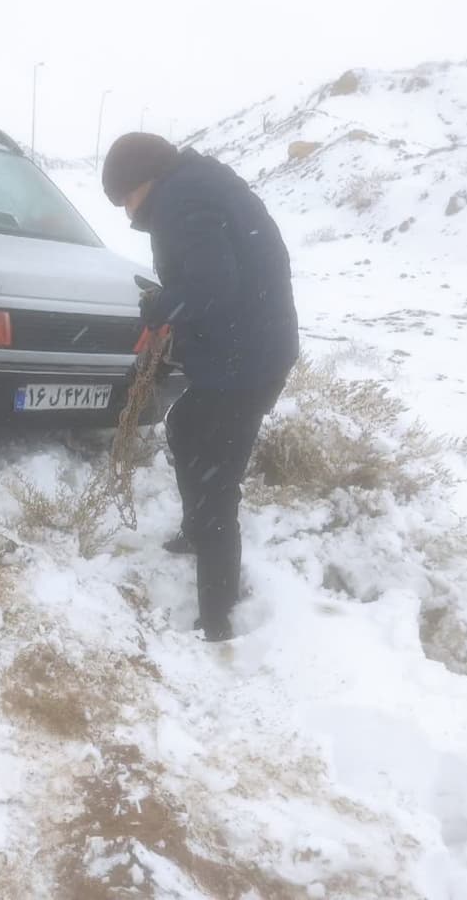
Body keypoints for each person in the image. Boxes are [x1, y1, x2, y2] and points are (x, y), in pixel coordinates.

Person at [102, 133, 299, 642]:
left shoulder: (181, 197)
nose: (128, 213)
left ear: (144, 179)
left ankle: (218, 615)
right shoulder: (194, 184)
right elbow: (216, 274)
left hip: (246, 359)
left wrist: (165, 306)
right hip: (249, 347)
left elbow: (213, 282)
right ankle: (197, 536)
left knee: (217, 478)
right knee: (187, 425)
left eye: (125, 197)